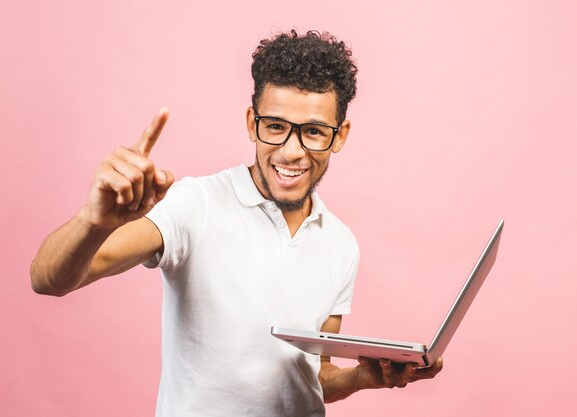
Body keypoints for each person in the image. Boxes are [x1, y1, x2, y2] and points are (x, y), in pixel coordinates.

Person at [30, 30, 443, 416]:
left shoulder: (341, 243)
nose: (292, 151)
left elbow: (311, 375)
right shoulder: (196, 204)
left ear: (339, 135)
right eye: (276, 127)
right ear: (252, 123)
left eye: (314, 132)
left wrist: (361, 378)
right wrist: (93, 222)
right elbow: (49, 279)